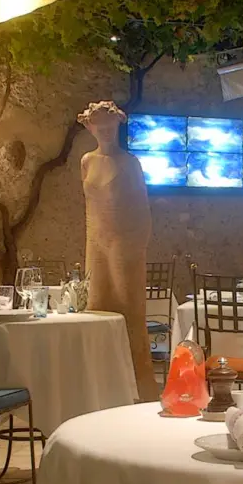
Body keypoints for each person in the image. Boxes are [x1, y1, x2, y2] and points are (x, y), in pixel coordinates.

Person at [78, 100, 159, 402]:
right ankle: (103, 387)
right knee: (97, 310)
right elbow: (90, 209)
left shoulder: (130, 163)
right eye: (100, 128)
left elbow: (143, 210)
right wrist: (91, 245)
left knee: (130, 316)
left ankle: (140, 390)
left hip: (124, 246)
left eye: (110, 128)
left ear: (118, 128)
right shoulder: (86, 161)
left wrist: (136, 246)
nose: (106, 133)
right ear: (90, 128)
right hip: (96, 244)